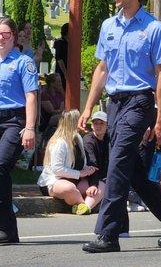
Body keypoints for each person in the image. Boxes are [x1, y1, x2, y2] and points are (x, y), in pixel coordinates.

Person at [78, 0, 161, 253]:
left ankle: (108, 234)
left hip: (140, 103)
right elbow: (101, 69)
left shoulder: (153, 28)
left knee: (116, 164)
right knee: (135, 173)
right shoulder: (108, 26)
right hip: (114, 103)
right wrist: (88, 106)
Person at [0, 17, 38, 244]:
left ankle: (7, 229)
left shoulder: (23, 62)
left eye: (5, 34)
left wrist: (30, 128)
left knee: (0, 166)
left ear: (14, 36)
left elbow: (31, 96)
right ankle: (7, 229)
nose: (1, 39)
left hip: (14, 122)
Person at [37, 110, 98, 215]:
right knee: (69, 188)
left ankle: (80, 205)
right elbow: (57, 169)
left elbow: (80, 162)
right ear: (73, 123)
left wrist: (87, 169)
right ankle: (86, 206)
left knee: (96, 186)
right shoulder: (59, 142)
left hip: (73, 179)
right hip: (55, 181)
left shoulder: (78, 138)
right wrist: (80, 174)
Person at [82, 111, 110, 211]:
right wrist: (94, 184)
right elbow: (91, 164)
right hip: (89, 177)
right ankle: (85, 208)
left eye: (101, 123)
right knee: (101, 186)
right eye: (95, 123)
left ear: (107, 125)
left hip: (104, 176)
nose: (98, 126)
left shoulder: (109, 138)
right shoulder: (89, 141)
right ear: (92, 126)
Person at [53, 23, 68, 89]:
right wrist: (65, 72)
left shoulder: (70, 43)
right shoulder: (60, 43)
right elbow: (59, 59)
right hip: (61, 72)